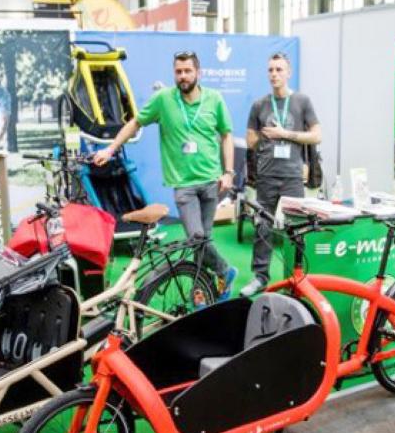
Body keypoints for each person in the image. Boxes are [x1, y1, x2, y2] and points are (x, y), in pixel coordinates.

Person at [94, 50, 238, 299]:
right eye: (178, 71)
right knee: (196, 238)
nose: (183, 76)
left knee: (204, 240)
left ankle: (200, 290)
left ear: (198, 73)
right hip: (184, 185)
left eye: (187, 71)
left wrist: (228, 172)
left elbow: (226, 135)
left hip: (211, 181)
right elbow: (135, 123)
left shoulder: (214, 99)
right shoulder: (163, 99)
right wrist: (111, 148)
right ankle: (225, 271)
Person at [239, 52, 321, 298]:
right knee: (262, 226)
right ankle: (260, 277)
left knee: (296, 229)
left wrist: (285, 134)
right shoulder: (259, 105)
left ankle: (296, 278)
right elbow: (250, 140)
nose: (274, 74)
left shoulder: (302, 101)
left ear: (288, 73)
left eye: (279, 69)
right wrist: (265, 135)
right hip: (266, 176)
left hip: (292, 176)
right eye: (271, 70)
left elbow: (317, 135)